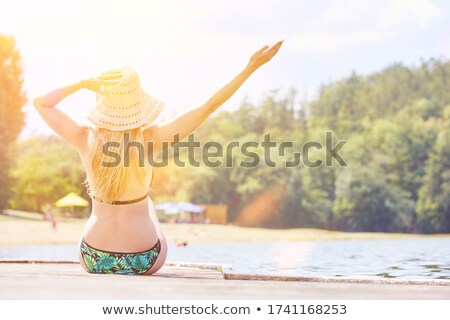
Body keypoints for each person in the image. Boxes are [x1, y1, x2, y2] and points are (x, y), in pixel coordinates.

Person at [33, 40, 283, 275]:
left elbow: (41, 103)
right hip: (145, 257)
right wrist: (249, 68)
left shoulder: (84, 137)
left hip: (93, 257)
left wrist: (82, 83)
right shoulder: (151, 139)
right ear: (137, 104)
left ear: (102, 102)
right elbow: (208, 106)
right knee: (147, 203)